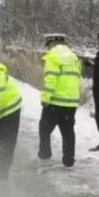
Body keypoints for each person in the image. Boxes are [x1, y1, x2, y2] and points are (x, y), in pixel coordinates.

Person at [38, 34, 82, 167]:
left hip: (55, 101)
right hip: (71, 101)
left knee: (44, 128)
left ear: (53, 42)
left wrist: (46, 97)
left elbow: (51, 78)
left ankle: (44, 153)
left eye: (49, 44)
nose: (48, 47)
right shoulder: (74, 57)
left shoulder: (53, 56)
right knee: (68, 131)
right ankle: (69, 160)